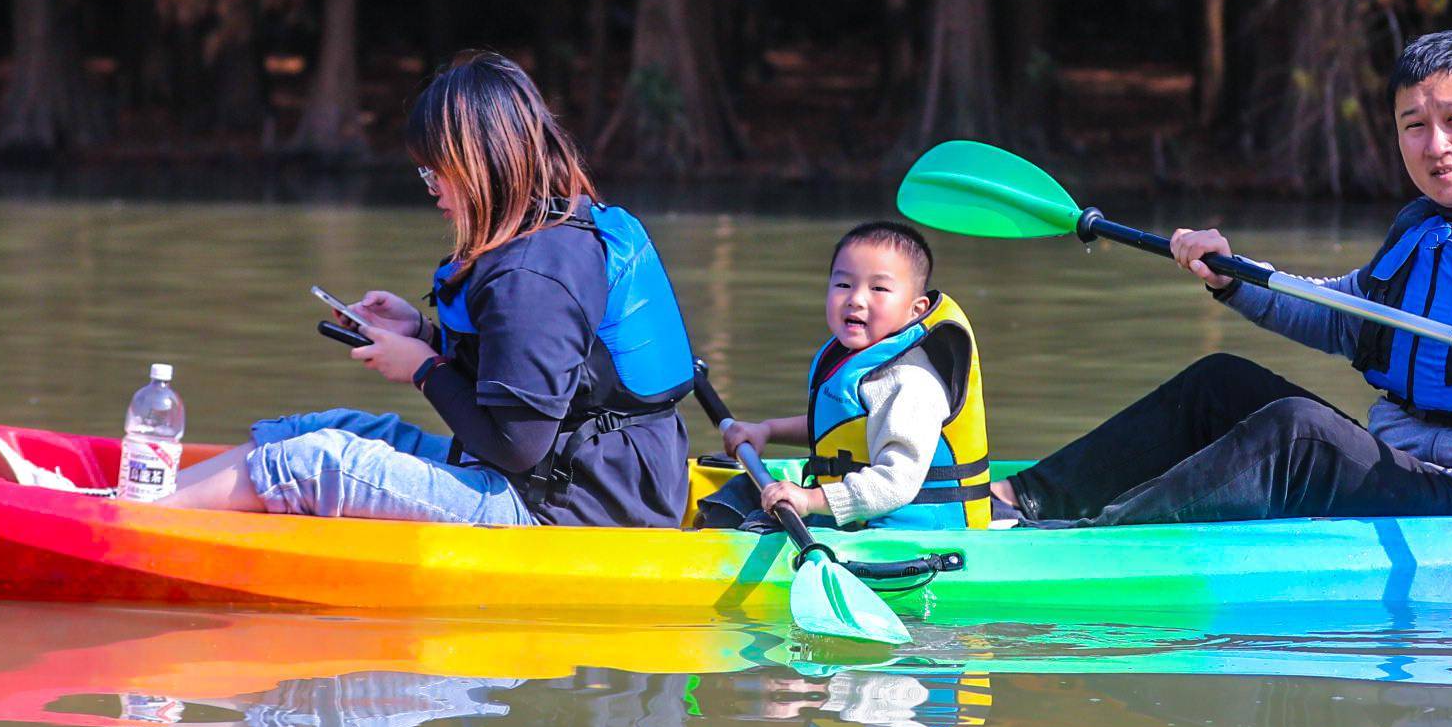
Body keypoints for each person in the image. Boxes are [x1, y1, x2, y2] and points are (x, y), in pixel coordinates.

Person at [995, 29, 1452, 525]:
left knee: (1297, 434)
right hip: (1405, 464)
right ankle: (1018, 504)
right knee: (1219, 383)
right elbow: (1347, 316)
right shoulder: (1426, 222)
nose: (1436, 146)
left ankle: (1094, 546)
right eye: (1413, 127)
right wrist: (1235, 278)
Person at [160, 50, 698, 527]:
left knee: (314, 461)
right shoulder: (548, 234)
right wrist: (421, 333)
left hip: (570, 514)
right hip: (566, 485)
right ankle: (135, 502)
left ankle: (124, 523)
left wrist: (423, 368)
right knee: (316, 429)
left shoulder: (534, 274)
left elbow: (517, 445)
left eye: (434, 172)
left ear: (478, 164)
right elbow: (534, 375)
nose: (432, 189)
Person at [714, 220, 994, 532]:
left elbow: (896, 482)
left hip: (914, 538)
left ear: (916, 310)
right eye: (843, 285)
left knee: (747, 519)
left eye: (879, 288)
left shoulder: (910, 381)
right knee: (737, 494)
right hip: (857, 521)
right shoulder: (855, 358)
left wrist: (811, 500)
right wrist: (766, 430)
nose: (856, 299)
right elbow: (844, 427)